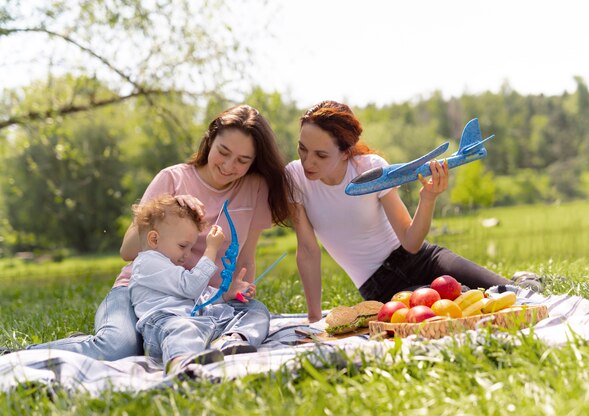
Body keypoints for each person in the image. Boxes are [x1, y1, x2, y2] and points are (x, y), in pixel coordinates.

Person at [27, 104, 292, 360]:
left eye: (242, 160)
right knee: (118, 347)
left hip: (199, 301)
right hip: (140, 292)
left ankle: (228, 344)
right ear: (209, 140)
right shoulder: (172, 179)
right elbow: (127, 250)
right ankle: (21, 355)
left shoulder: (254, 187)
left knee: (256, 312)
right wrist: (170, 208)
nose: (229, 165)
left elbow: (246, 256)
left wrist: (239, 290)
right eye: (223, 151)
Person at [286, 100, 512, 323]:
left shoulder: (369, 168)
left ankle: (526, 281)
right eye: (302, 149)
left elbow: (411, 242)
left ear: (345, 152)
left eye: (321, 155)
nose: (308, 162)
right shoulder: (295, 178)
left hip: (423, 258)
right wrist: (314, 318)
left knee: (509, 291)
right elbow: (307, 250)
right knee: (461, 308)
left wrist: (428, 198)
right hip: (382, 286)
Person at [129, 195, 264, 374]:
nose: (187, 254)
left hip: (196, 320)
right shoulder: (147, 263)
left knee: (254, 309)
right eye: (183, 246)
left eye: (190, 248)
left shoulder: (171, 266)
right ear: (154, 239)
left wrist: (226, 295)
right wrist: (211, 249)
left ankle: (232, 340)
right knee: (184, 329)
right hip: (163, 325)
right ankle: (182, 365)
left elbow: (199, 296)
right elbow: (191, 287)